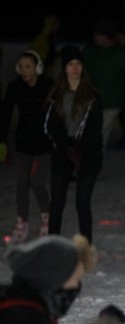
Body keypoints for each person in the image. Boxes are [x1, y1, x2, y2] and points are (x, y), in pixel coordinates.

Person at [44, 44, 104, 244]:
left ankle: (86, 247)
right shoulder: (55, 96)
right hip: (63, 153)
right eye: (70, 64)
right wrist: (65, 148)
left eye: (78, 63)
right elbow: (50, 126)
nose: (75, 68)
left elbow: (95, 129)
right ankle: (53, 246)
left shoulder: (93, 96)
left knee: (82, 202)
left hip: (88, 154)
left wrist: (79, 149)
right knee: (57, 202)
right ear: (64, 67)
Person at [0, 50, 54, 244]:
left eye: (28, 67)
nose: (23, 70)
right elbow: (5, 113)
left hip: (43, 143)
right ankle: (22, 224)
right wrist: (2, 141)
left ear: (37, 68)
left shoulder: (47, 86)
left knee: (37, 182)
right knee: (22, 183)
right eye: (20, 66)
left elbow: (58, 114)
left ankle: (48, 220)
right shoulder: (15, 87)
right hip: (23, 142)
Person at [82, 16, 125, 151]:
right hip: (93, 100)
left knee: (100, 133)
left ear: (106, 37)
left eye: (98, 35)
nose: (95, 37)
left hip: (112, 101)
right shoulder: (90, 52)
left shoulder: (121, 54)